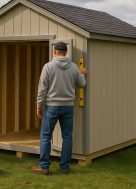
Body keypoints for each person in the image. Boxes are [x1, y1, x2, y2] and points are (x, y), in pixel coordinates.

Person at [32, 42, 88, 175]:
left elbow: (42, 89)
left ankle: (44, 167)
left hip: (51, 107)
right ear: (66, 52)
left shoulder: (48, 66)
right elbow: (81, 84)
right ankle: (65, 168)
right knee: (67, 137)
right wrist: (81, 74)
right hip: (68, 107)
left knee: (46, 137)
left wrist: (39, 105)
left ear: (54, 51)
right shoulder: (74, 67)